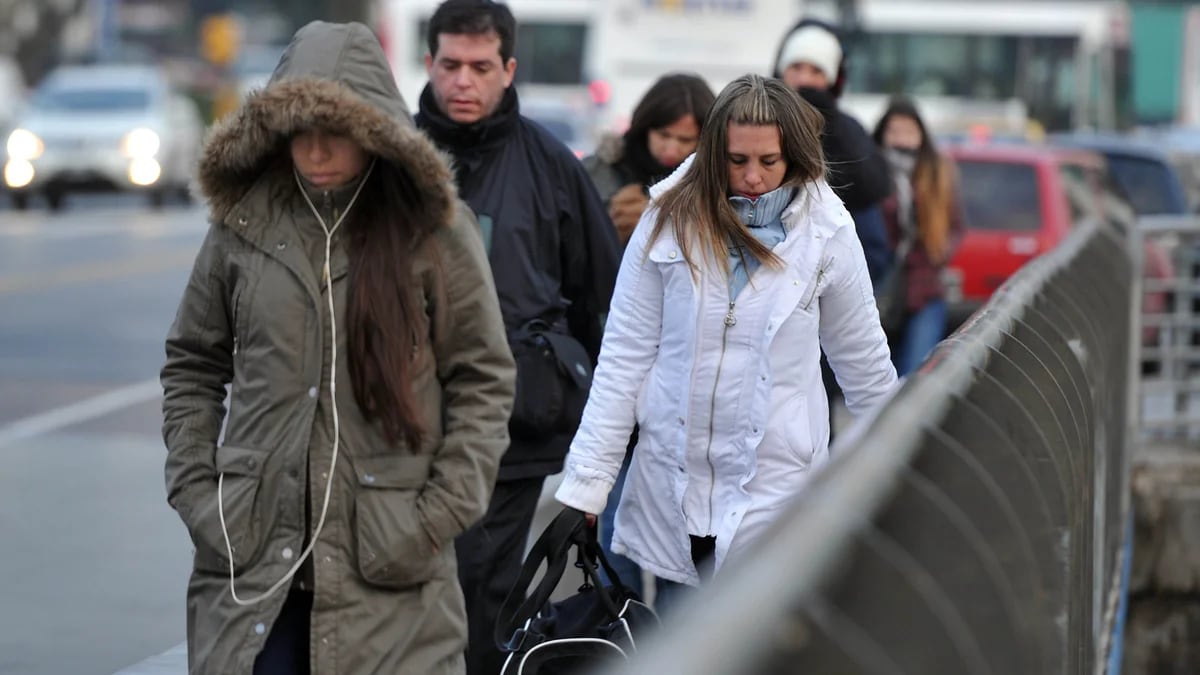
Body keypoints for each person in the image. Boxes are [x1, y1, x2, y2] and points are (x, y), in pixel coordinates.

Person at [161, 21, 515, 675]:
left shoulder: (432, 230)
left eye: (337, 130)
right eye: (300, 130)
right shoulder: (243, 225)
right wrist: (197, 491)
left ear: (374, 131)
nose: (317, 149)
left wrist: (437, 513)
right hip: (254, 559)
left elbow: (483, 377)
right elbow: (192, 361)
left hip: (389, 569)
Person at [555, 74, 897, 595]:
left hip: (776, 493)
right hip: (674, 491)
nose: (753, 178)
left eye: (769, 161)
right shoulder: (665, 219)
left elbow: (864, 364)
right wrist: (587, 486)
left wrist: (898, 480)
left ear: (795, 156)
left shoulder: (828, 231)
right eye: (737, 161)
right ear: (715, 153)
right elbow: (624, 356)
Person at [413, 2, 622, 673]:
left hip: (514, 429)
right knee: (410, 595)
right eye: (450, 65)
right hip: (402, 428)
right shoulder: (392, 159)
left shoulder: (551, 167)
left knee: (482, 594)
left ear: (508, 69)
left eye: (480, 67)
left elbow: (607, 306)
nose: (463, 82)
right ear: (429, 64)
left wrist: (603, 457)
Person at [772, 18, 896, 440]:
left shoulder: (850, 137)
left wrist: (830, 288)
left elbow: (873, 241)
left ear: (833, 78)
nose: (804, 80)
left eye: (815, 72)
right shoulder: (751, 125)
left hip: (824, 307)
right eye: (796, 68)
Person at [872, 97, 964, 376]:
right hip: (880, 287)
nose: (901, 138)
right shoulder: (871, 172)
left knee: (914, 377)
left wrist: (937, 255)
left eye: (909, 131)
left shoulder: (937, 171)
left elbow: (956, 227)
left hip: (924, 288)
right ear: (882, 133)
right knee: (877, 379)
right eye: (894, 131)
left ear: (921, 135)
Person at [584, 73, 717, 246]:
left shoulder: (715, 184)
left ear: (704, 140)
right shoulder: (597, 171)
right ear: (645, 127)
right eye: (663, 135)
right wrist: (608, 228)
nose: (671, 149)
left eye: (685, 140)